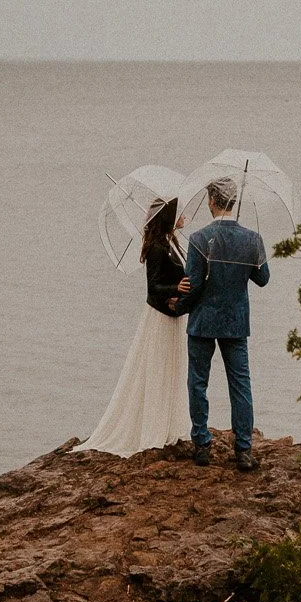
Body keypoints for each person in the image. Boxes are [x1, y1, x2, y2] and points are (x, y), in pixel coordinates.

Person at [76, 197, 191, 455]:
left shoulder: (172, 243)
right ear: (170, 217)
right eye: (181, 213)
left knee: (170, 369)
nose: (185, 217)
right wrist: (177, 288)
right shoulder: (157, 249)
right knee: (156, 370)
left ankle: (169, 423)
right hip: (159, 319)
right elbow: (153, 288)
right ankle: (153, 426)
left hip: (172, 317)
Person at [181, 178, 269, 472]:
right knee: (241, 385)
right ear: (233, 202)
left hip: (203, 321)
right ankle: (243, 450)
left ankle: (202, 444)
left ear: (212, 202)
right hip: (236, 322)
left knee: (198, 382)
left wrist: (176, 307)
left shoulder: (198, 239)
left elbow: (192, 286)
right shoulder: (252, 240)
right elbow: (263, 278)